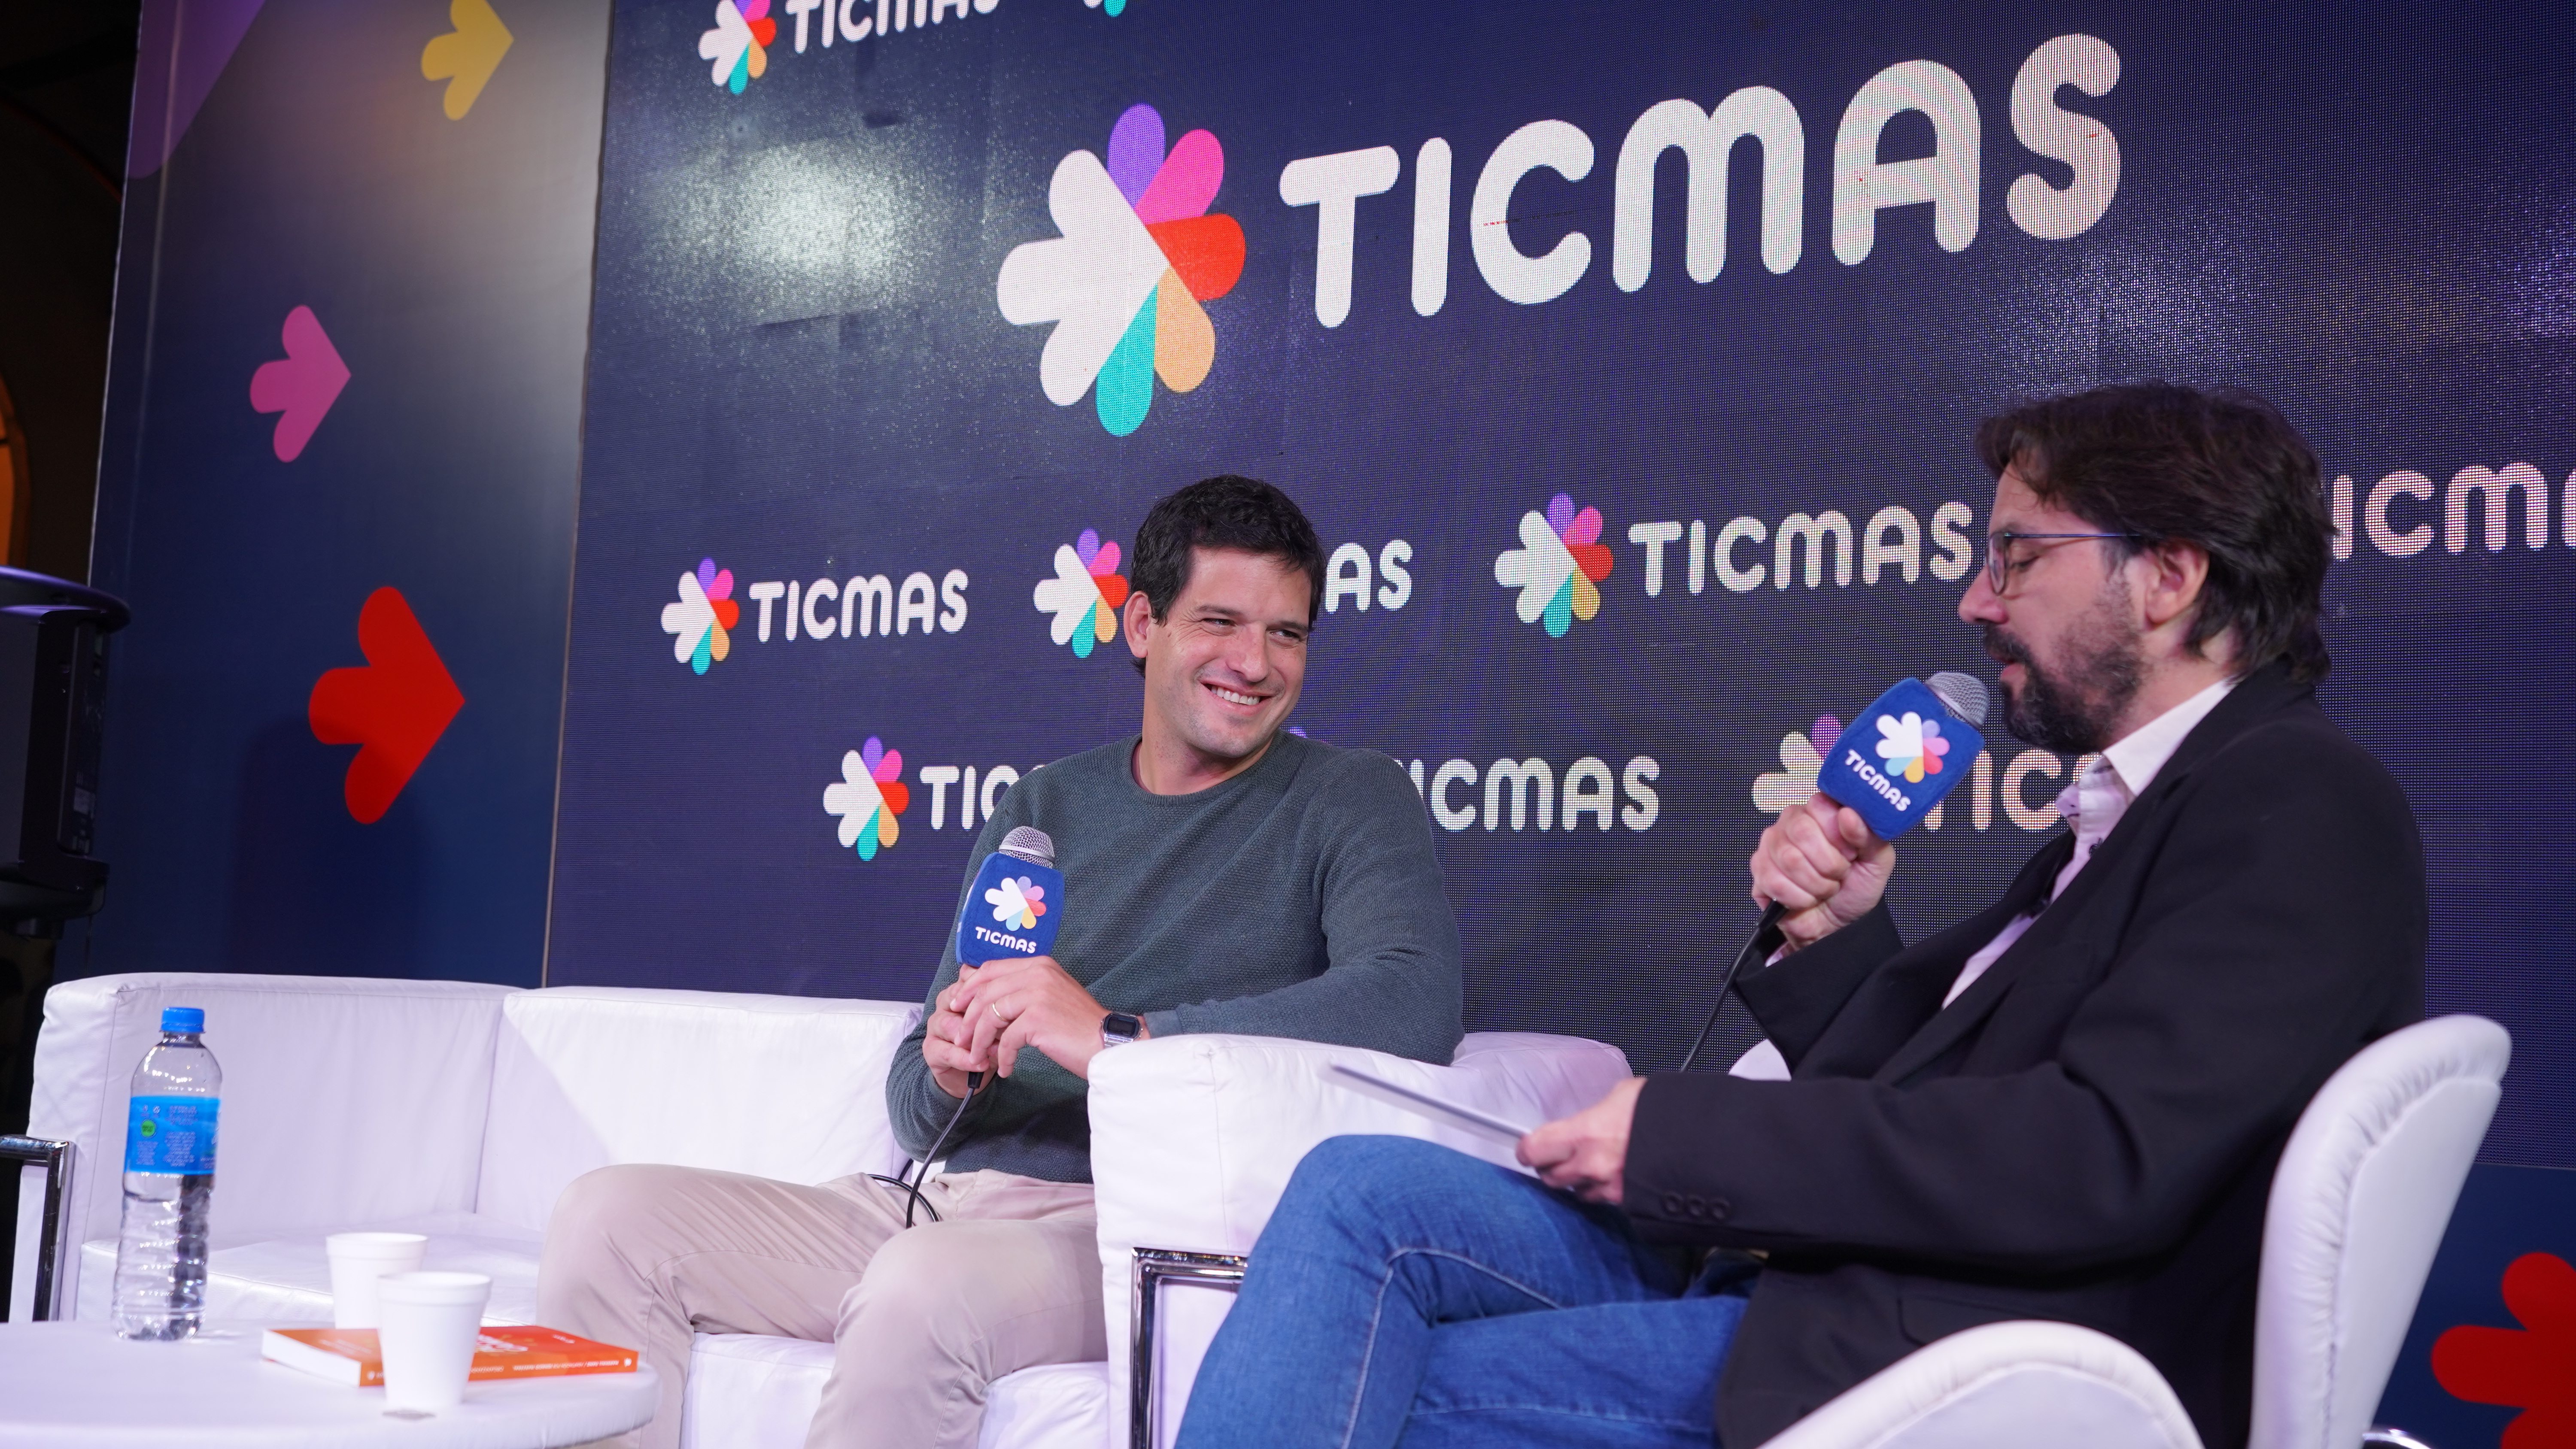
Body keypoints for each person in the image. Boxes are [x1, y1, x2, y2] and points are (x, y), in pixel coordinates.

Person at [1176, 383, 2427, 1449]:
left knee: (1369, 1385)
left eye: (2017, 557)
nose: (1977, 600)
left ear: (2168, 576)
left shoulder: (2299, 804)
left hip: (1948, 1346)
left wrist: (1683, 1138)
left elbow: (2093, 1157)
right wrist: (1834, 935)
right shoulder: (2140, 811)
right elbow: (1950, 1090)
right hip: (1843, 1267)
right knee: (1357, 1188)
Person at [537, 475, 1464, 1449]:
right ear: (1142, 623)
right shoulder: (1044, 808)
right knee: (608, 1220)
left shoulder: (1350, 797)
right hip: (936, 1204)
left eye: (1287, 633)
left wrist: (1116, 1039)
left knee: (918, 1288)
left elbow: (1413, 998)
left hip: (1120, 1222)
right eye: (1221, 622)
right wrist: (949, 1070)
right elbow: (917, 1102)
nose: (1256, 662)